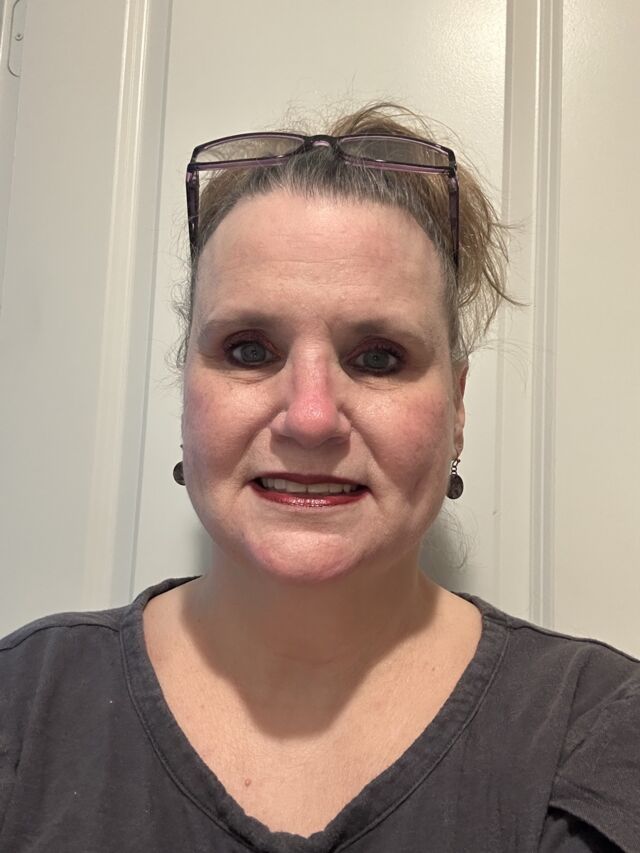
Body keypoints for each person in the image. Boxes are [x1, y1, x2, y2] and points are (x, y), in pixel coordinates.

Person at [1, 102, 638, 852]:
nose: (309, 418)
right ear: (187, 395)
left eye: (379, 358)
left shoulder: (597, 729)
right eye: (248, 350)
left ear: (458, 408)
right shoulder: (24, 707)